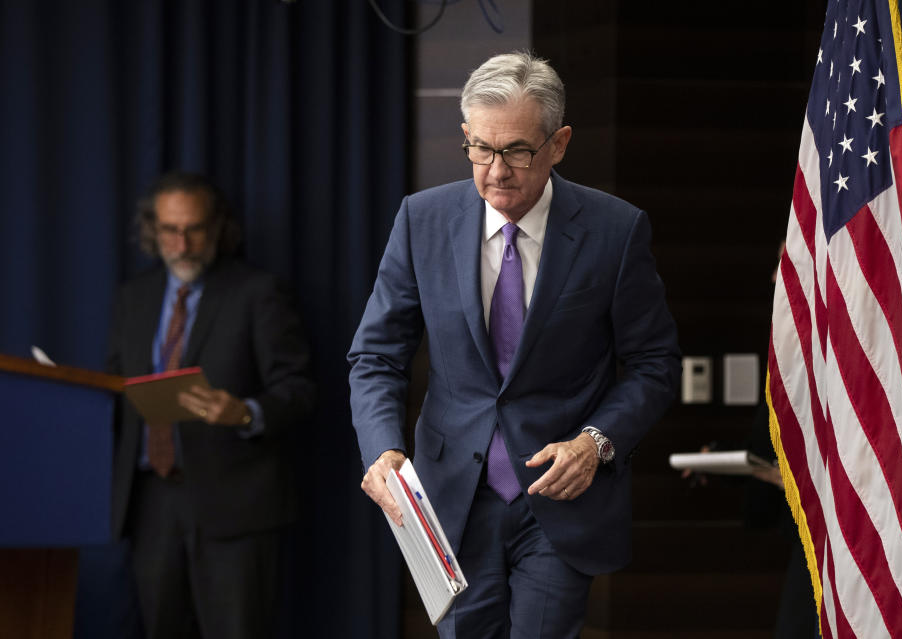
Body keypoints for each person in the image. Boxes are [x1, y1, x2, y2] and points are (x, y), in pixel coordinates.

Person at [348, 52, 681, 637]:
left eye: (518, 151)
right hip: (450, 499)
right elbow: (376, 355)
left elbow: (653, 364)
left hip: (557, 498)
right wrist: (381, 449)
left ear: (559, 143)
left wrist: (596, 442)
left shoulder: (615, 230)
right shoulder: (421, 220)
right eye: (481, 148)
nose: (496, 170)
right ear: (466, 137)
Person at [107, 171, 316, 639]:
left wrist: (244, 413)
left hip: (236, 506)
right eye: (169, 230)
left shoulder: (258, 293)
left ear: (217, 228)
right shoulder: (133, 298)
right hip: (151, 502)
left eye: (194, 229)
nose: (181, 244)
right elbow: (116, 389)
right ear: (152, 231)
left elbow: (299, 391)